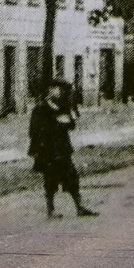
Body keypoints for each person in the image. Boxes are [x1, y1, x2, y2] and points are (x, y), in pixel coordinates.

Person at [29, 79, 96, 218]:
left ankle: (79, 207)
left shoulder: (62, 107)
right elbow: (34, 130)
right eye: (57, 89)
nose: (60, 92)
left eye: (61, 90)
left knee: (72, 177)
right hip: (48, 151)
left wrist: (65, 120)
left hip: (62, 149)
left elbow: (71, 124)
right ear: (49, 91)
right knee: (50, 180)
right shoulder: (40, 109)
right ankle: (51, 210)